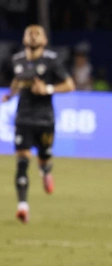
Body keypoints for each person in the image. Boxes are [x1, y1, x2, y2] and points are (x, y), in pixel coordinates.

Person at [2, 25, 75, 223]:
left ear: (44, 40)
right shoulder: (17, 60)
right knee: (22, 161)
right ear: (24, 38)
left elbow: (70, 85)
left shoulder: (52, 60)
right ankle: (23, 206)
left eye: (37, 34)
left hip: (45, 119)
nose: (33, 37)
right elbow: (18, 80)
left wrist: (48, 89)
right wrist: (11, 95)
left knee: (44, 157)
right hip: (23, 117)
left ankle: (45, 171)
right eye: (29, 33)